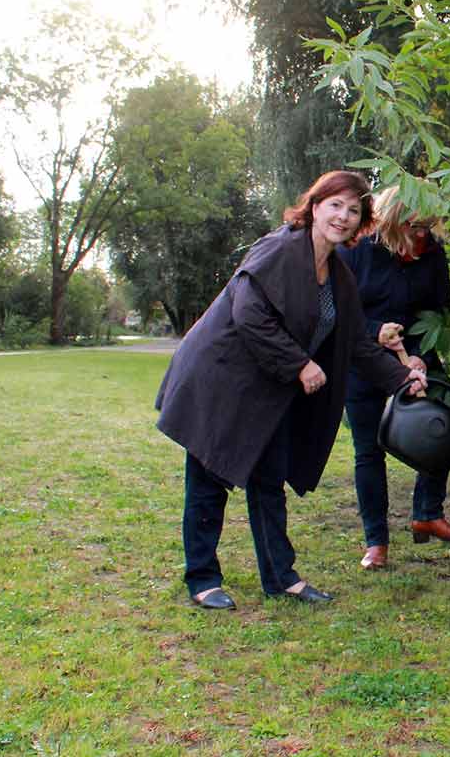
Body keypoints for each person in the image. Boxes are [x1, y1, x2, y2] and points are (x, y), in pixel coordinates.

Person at [154, 171, 427, 610]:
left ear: (361, 223)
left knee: (267, 480)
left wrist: (403, 380)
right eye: (335, 205)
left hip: (267, 388)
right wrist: (299, 364)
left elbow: (356, 342)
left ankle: (281, 577)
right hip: (222, 378)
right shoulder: (280, 248)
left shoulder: (337, 275)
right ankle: (202, 578)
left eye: (353, 210)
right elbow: (249, 313)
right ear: (315, 206)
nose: (343, 216)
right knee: (209, 479)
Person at [338, 186, 450, 571]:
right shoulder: (357, 249)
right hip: (361, 361)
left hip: (413, 357)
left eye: (428, 228)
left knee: (447, 419)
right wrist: (374, 330)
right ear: (392, 222)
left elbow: (437, 315)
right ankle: (376, 542)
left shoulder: (432, 256)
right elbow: (334, 313)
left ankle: (427, 512)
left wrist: (421, 357)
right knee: (369, 449)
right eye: (414, 227)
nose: (422, 236)